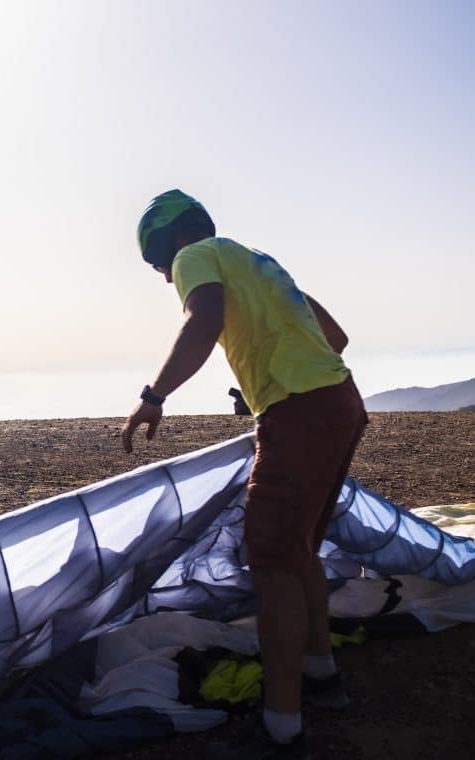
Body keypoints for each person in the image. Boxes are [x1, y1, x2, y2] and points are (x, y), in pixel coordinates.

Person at [119, 190, 367, 758]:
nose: (165, 278)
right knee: (298, 550)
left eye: (158, 265)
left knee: (273, 562)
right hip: (342, 401)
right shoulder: (257, 260)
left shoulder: (194, 256)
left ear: (166, 244)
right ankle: (322, 675)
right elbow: (337, 339)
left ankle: (282, 730)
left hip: (300, 408)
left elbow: (203, 320)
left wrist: (153, 396)